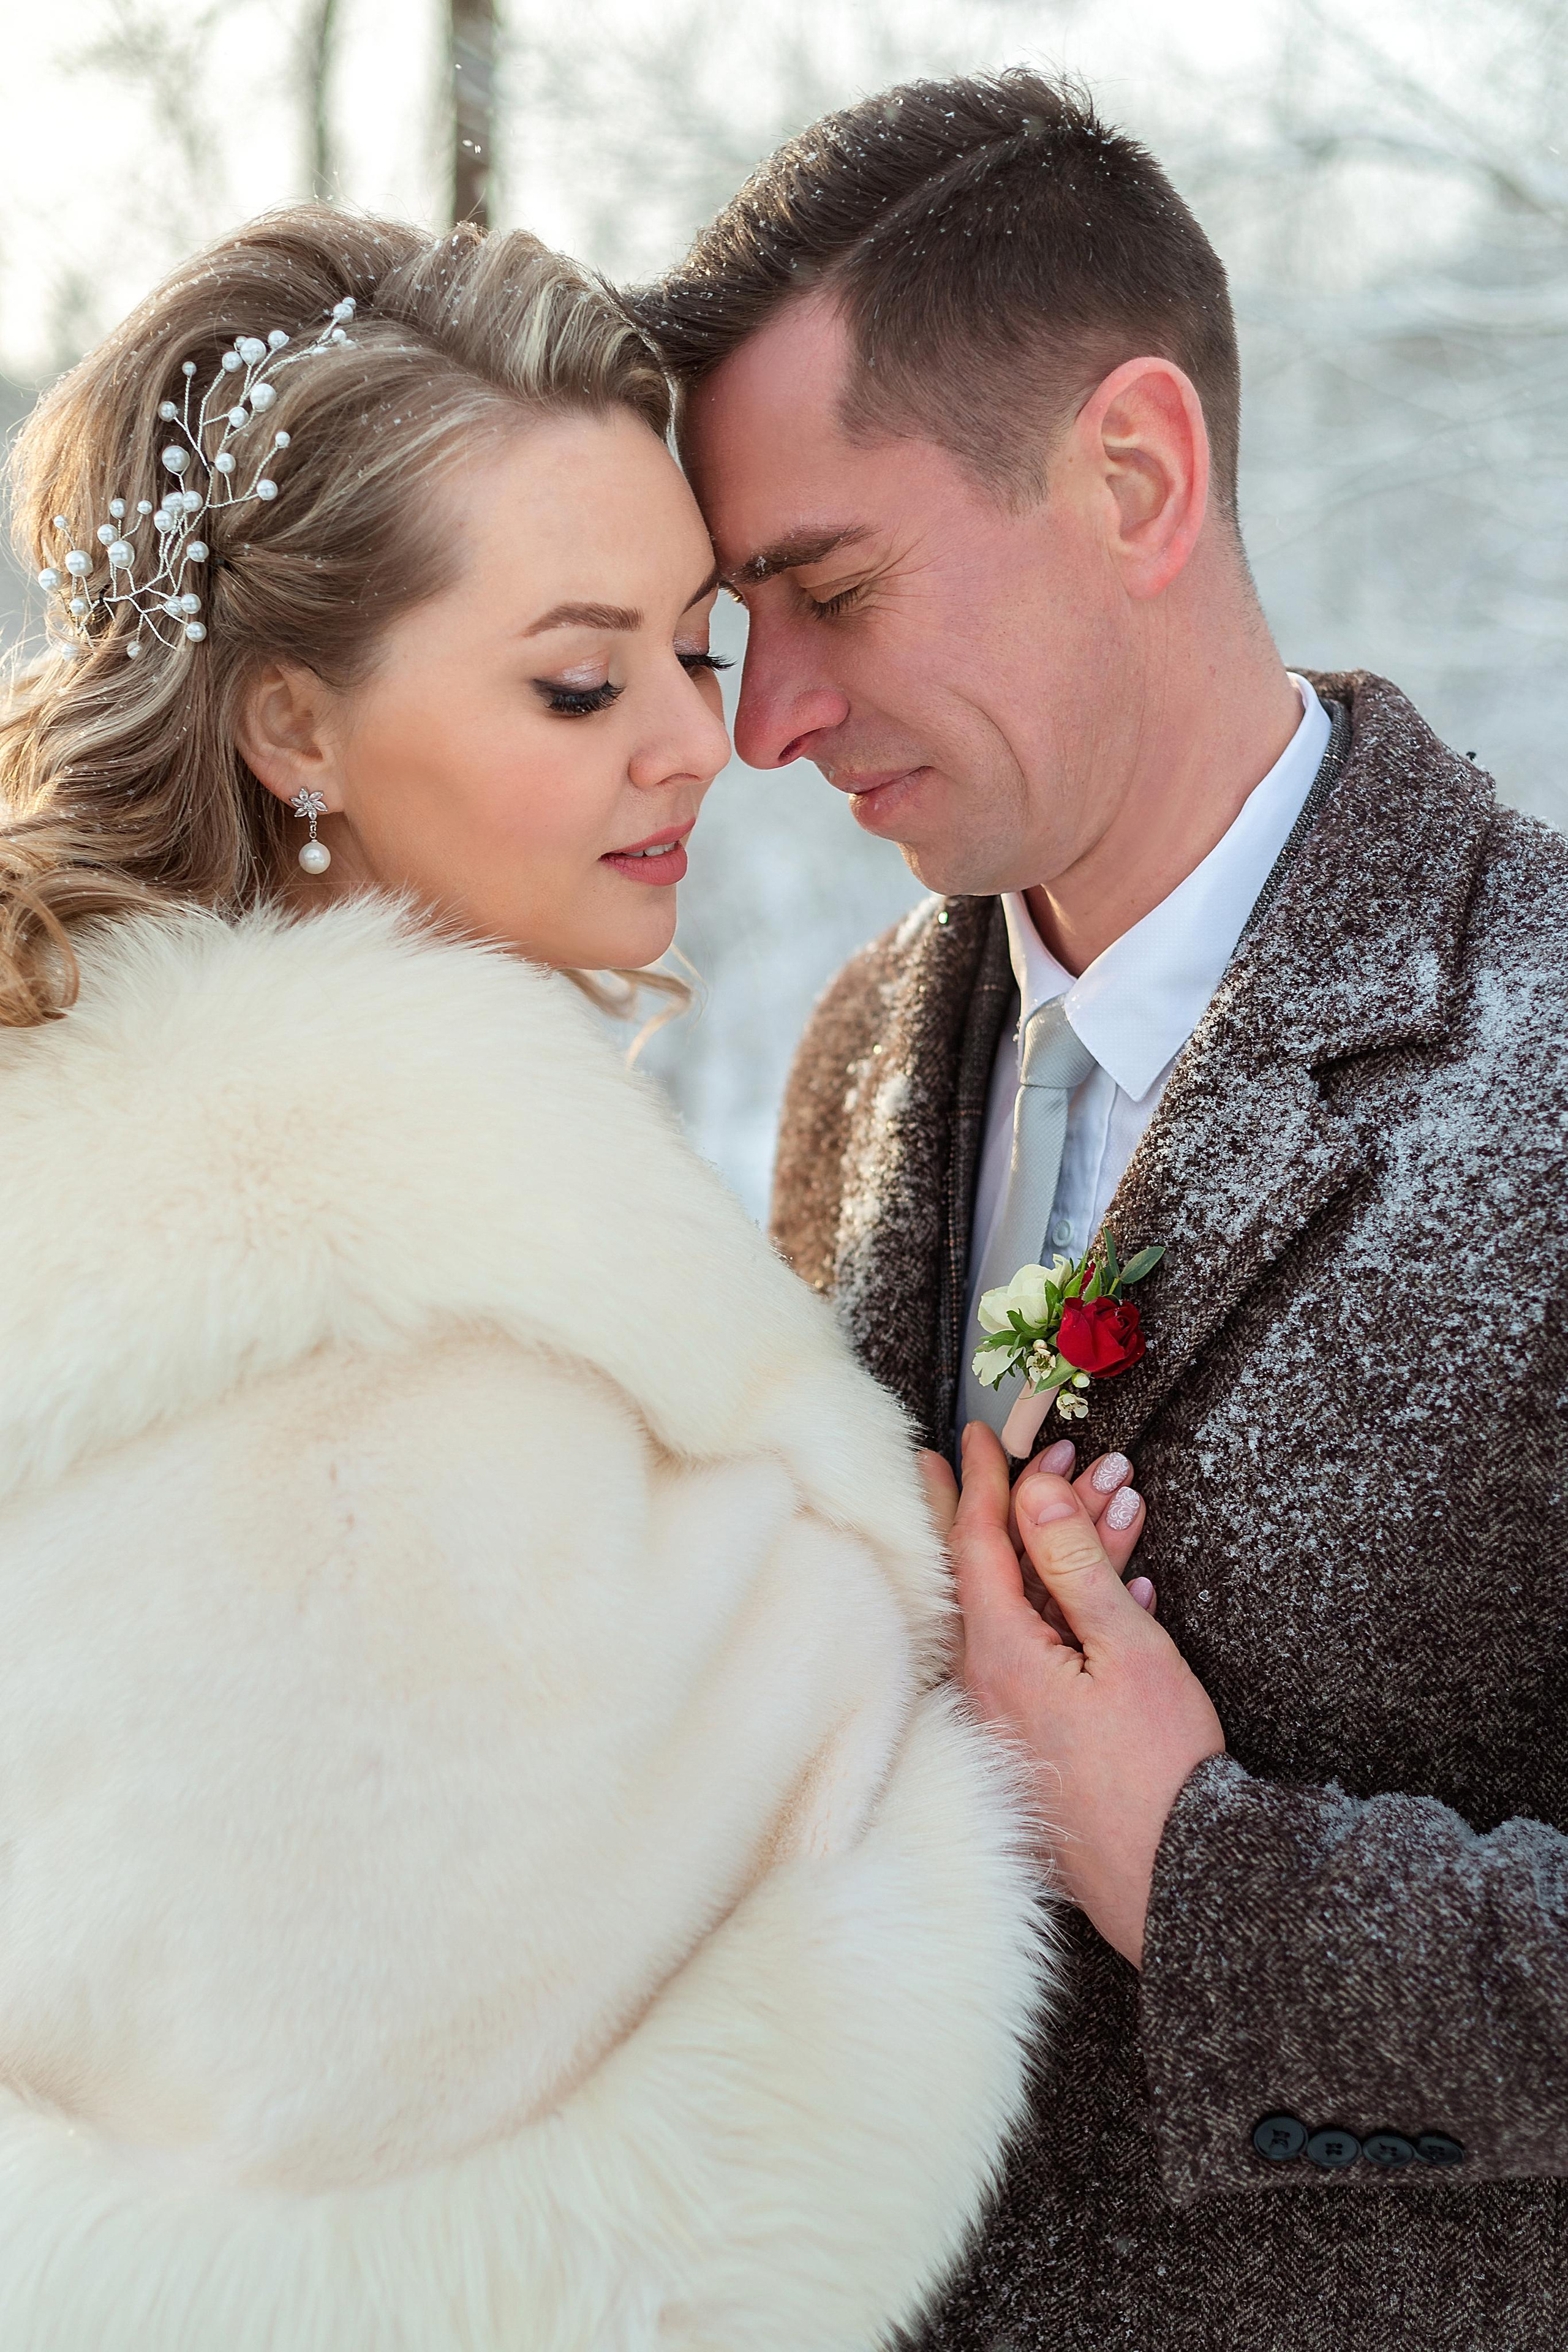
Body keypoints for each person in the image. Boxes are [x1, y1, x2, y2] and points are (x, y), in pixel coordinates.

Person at [0, 206, 1060, 2352]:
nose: (697, 742)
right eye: (582, 679)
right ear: (295, 723)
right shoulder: (351, 1354)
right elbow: (393, 2121)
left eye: (698, 645)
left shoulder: (178, 1191)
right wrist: (914, 1646)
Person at [640, 66, 1568, 2352]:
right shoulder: (860, 1052)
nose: (768, 724)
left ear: (1135, 476)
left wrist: (1203, 1880)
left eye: (824, 591)